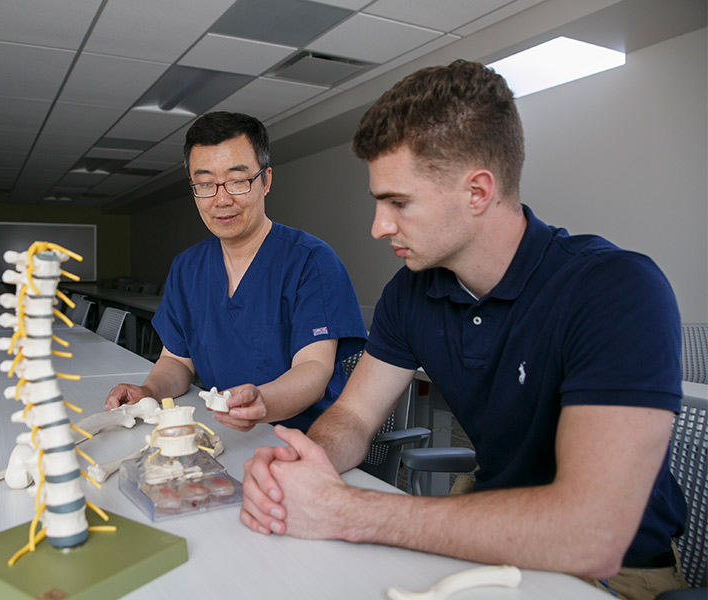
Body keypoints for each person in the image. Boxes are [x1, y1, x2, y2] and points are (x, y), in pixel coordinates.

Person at [240, 60, 688, 600]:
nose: (379, 226)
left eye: (398, 203)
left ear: (477, 191)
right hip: (483, 530)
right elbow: (354, 416)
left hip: (610, 573)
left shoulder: (617, 289)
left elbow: (592, 534)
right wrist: (306, 463)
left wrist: (348, 510)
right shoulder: (411, 291)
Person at [105, 112, 367, 433]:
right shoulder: (187, 268)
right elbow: (176, 361)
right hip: (226, 434)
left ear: (265, 181)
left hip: (303, 440)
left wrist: (262, 402)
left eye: (237, 180)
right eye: (205, 184)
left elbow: (314, 368)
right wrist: (148, 391)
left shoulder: (310, 261)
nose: (222, 199)